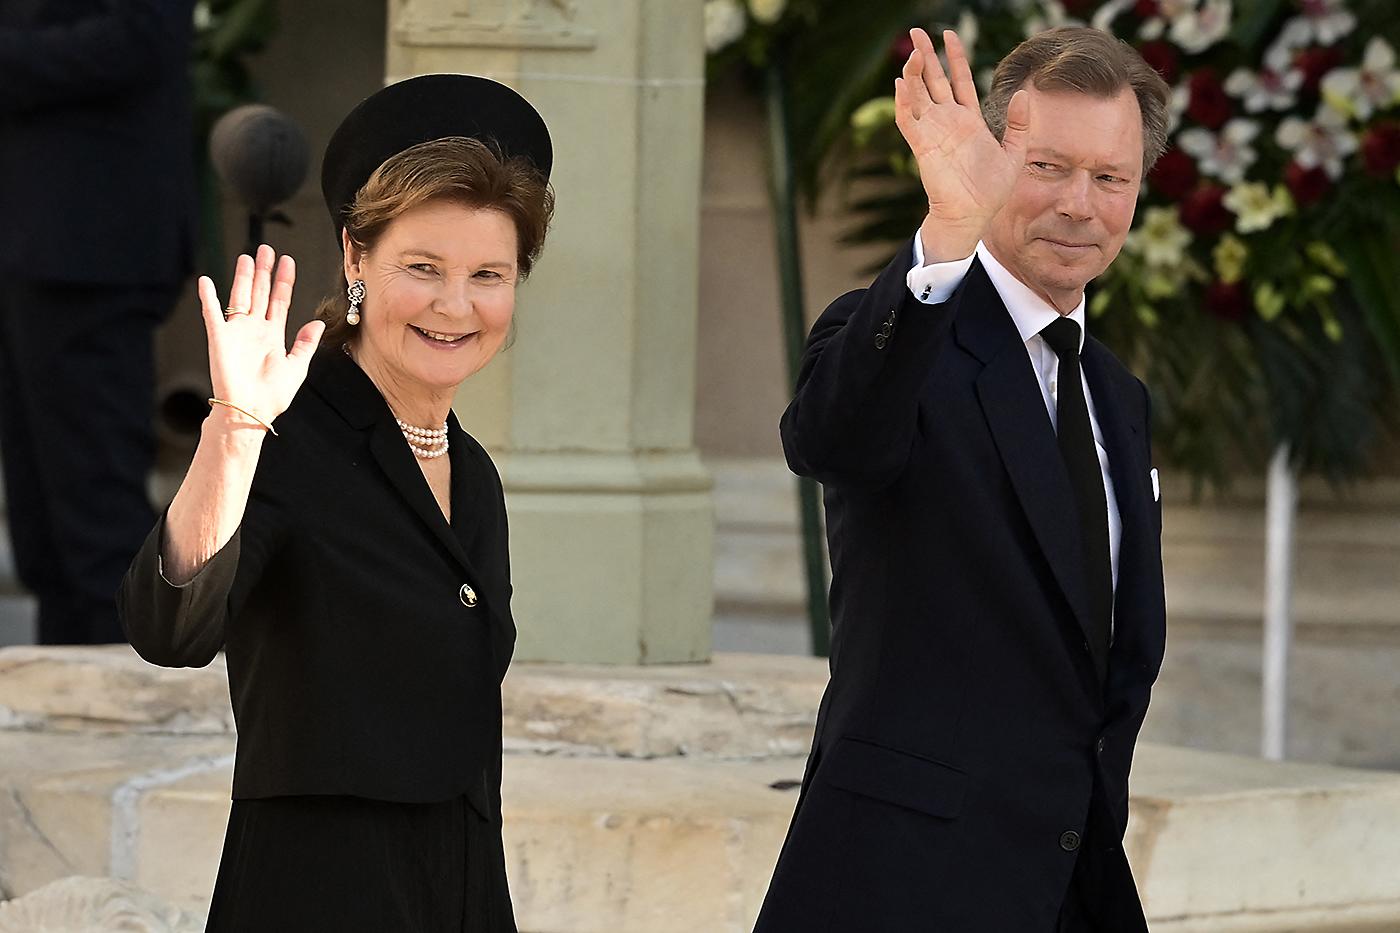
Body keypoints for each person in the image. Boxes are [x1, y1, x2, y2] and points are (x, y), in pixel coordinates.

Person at [755, 26, 1169, 932]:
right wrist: (946, 232)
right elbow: (831, 438)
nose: (1078, 204)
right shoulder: (906, 333)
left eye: (1110, 178)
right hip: (898, 887)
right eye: (1048, 166)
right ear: (985, 160)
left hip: (1073, 888)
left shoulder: (1118, 395)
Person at [118, 75, 554, 932]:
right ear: (356, 256)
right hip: (317, 893)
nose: (455, 306)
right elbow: (169, 629)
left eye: (488, 275)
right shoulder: (287, 427)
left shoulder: (471, 471)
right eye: (422, 269)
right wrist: (235, 429)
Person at [0, 0, 197, 644]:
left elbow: (140, 40)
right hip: (30, 243)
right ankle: (67, 712)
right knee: (40, 529)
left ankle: (128, 706)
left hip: (87, 245)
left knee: (95, 518)